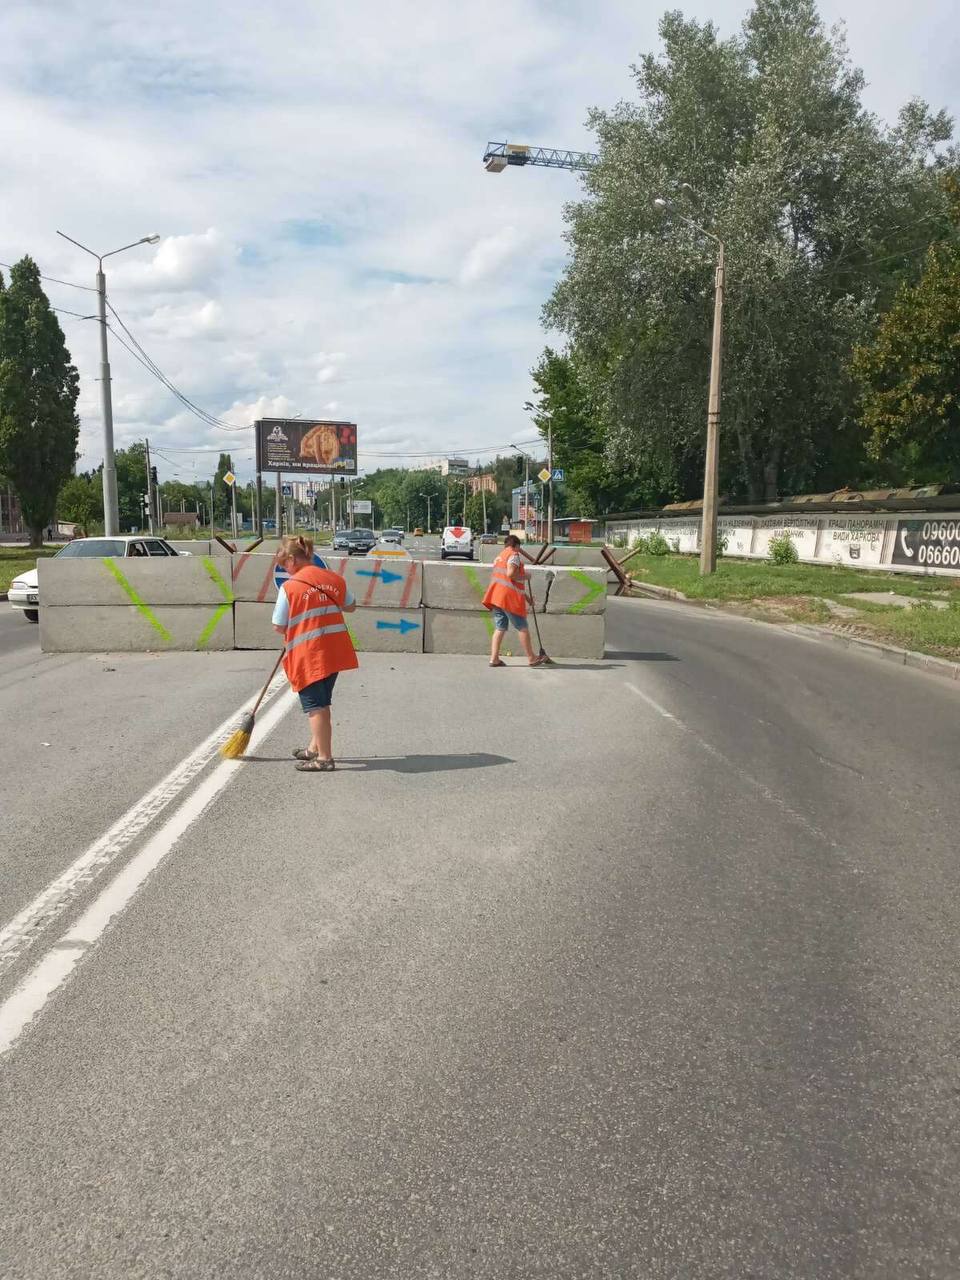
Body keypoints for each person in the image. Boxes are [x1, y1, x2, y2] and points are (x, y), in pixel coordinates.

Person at [272, 535, 358, 772]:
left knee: (315, 707)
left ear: (291, 559)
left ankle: (325, 759)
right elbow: (350, 605)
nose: (284, 570)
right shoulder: (334, 579)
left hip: (309, 654)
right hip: (334, 652)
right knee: (323, 702)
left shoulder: (290, 587)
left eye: (283, 565)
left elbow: (278, 625)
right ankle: (314, 749)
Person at [481, 534, 548, 668]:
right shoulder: (514, 555)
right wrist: (526, 576)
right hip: (508, 599)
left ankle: (494, 659)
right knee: (522, 627)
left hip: (496, 597)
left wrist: (528, 599)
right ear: (516, 546)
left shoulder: (500, 557)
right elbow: (511, 575)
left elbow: (508, 582)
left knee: (500, 628)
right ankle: (532, 658)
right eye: (519, 547)